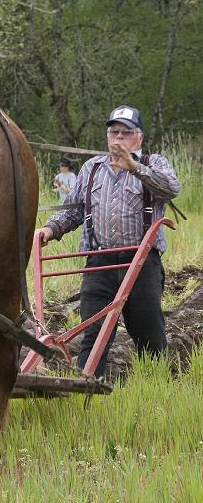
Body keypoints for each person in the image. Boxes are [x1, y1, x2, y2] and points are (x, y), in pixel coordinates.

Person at [36, 105, 181, 377]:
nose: (118, 138)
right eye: (114, 132)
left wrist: (135, 167)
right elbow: (74, 210)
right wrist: (50, 229)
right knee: (94, 333)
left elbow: (172, 189)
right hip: (99, 263)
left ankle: (157, 389)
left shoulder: (153, 163)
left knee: (148, 332)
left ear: (138, 137)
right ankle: (85, 391)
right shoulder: (92, 168)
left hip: (140, 263)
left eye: (126, 133)